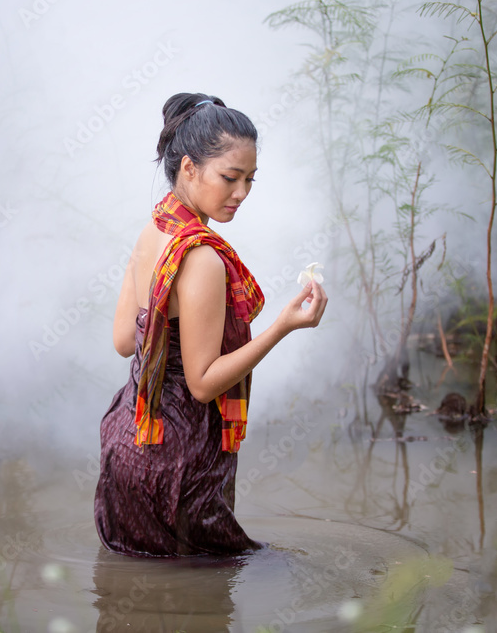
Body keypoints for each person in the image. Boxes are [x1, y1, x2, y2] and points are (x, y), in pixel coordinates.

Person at [93, 92, 327, 557]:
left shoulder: (153, 232)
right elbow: (201, 386)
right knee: (213, 590)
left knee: (130, 608)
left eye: (250, 180)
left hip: (127, 442)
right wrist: (282, 325)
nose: (241, 193)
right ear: (188, 168)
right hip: (179, 456)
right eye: (230, 178)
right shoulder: (202, 259)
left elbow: (124, 342)